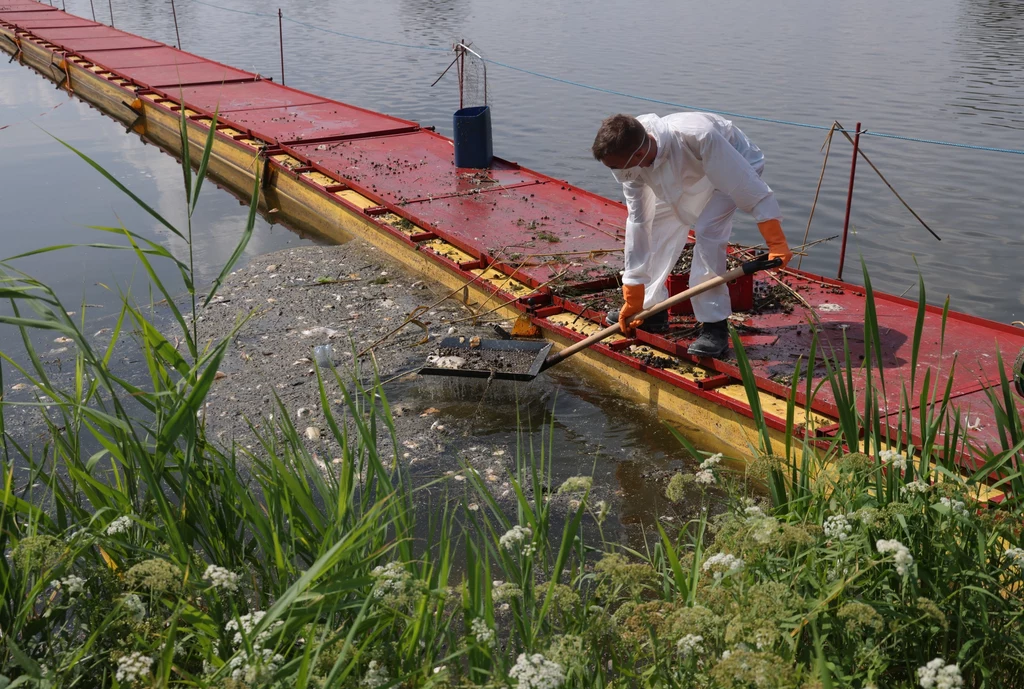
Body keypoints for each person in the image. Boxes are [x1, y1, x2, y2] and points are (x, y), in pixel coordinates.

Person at [591, 112, 792, 358]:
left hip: (735, 165)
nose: (622, 174)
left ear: (639, 154)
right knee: (657, 225)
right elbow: (639, 220)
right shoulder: (630, 155)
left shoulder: (698, 136)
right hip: (683, 174)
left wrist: (775, 240)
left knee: (708, 231)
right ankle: (650, 309)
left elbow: (746, 187)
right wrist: (633, 288)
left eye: (623, 168)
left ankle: (714, 326)